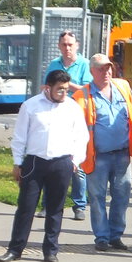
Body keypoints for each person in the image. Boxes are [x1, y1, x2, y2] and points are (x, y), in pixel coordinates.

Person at [0, 70, 88, 262]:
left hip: (62, 163)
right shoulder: (31, 106)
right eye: (59, 90)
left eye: (66, 89)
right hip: (35, 162)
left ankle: (51, 250)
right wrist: (17, 162)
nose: (64, 94)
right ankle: (15, 249)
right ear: (48, 88)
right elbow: (20, 136)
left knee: (56, 209)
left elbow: (81, 137)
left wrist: (75, 161)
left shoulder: (72, 108)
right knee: (26, 207)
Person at [71, 54, 132, 252]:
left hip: (122, 154)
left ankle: (116, 235)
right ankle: (101, 237)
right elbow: (74, 127)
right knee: (97, 197)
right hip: (98, 155)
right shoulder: (82, 96)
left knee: (122, 196)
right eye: (101, 69)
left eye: (109, 68)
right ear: (92, 71)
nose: (106, 72)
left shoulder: (123, 87)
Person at [46, 30, 93, 221]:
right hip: (56, 116)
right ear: (59, 46)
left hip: (77, 116)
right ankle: (49, 204)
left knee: (77, 166)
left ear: (77, 45)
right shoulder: (53, 65)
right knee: (50, 162)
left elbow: (88, 89)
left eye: (70, 45)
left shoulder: (84, 64)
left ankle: (79, 205)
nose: (67, 48)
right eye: (64, 45)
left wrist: (65, 84)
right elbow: (47, 87)